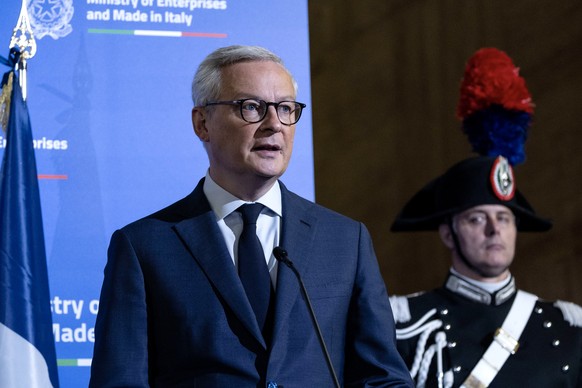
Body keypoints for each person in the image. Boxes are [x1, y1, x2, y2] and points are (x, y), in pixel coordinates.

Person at [89, 45, 413, 387]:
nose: (274, 124)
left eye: (286, 108)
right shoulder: (145, 246)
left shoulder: (346, 240)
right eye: (251, 107)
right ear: (202, 123)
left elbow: (383, 378)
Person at [388, 47, 582, 388]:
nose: (495, 230)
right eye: (477, 219)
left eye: (504, 219)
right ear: (448, 233)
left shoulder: (568, 326)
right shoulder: (404, 324)